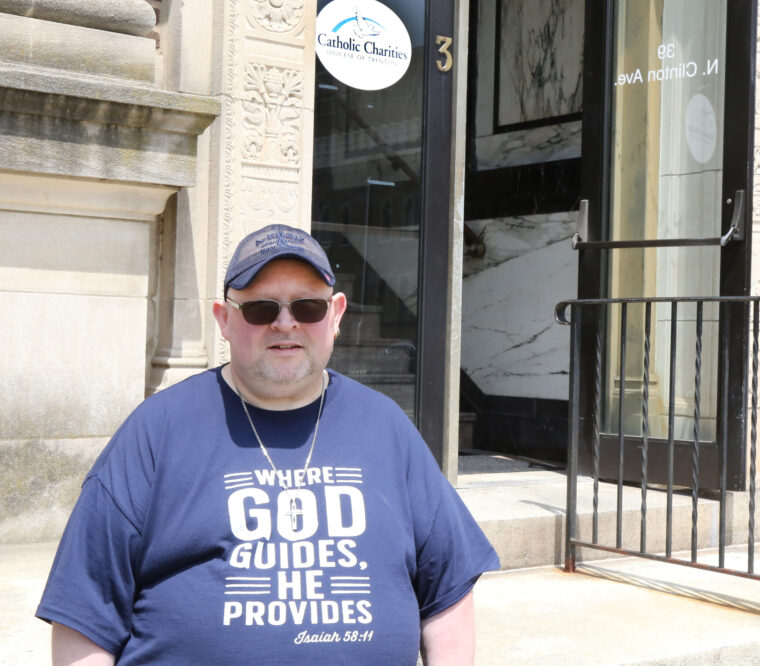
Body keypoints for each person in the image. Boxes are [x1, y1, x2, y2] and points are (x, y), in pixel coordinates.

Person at [37, 224, 499, 664]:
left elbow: (448, 591)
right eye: (260, 308)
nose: (285, 323)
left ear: (335, 315)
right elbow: (86, 613)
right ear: (224, 320)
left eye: (307, 308)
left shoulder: (386, 426)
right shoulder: (156, 431)